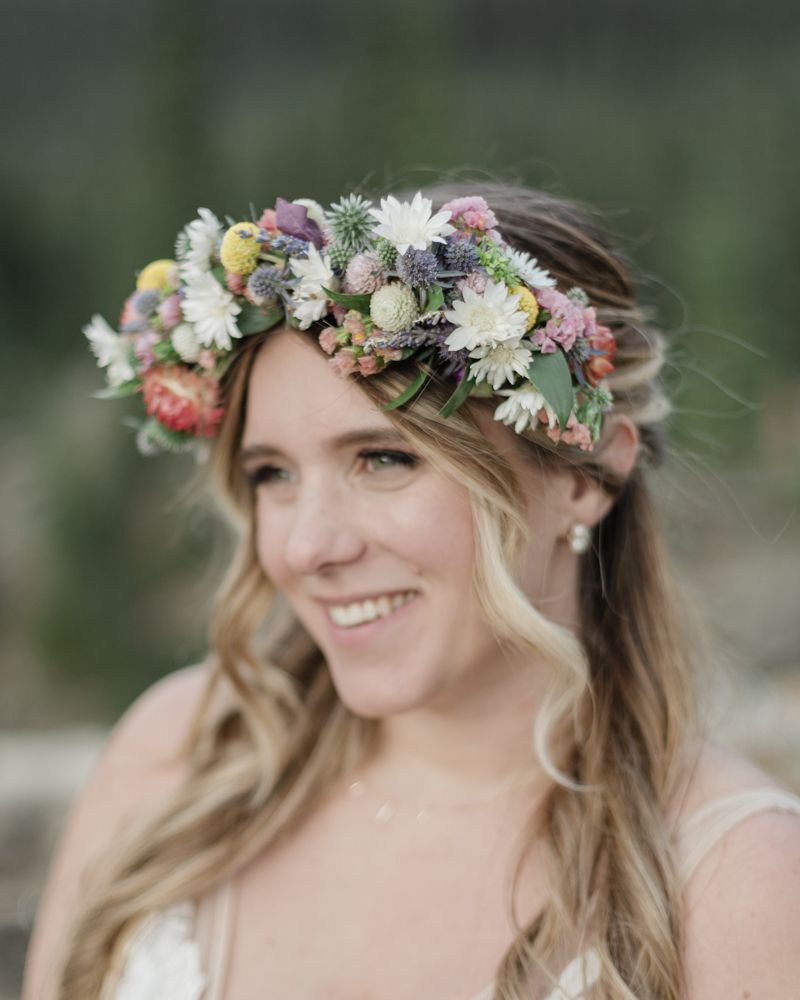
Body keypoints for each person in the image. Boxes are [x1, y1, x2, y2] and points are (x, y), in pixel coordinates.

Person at [23, 183, 800, 1000]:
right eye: (272, 474)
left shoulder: (738, 888)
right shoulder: (174, 765)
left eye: (384, 459)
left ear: (590, 473)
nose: (306, 547)